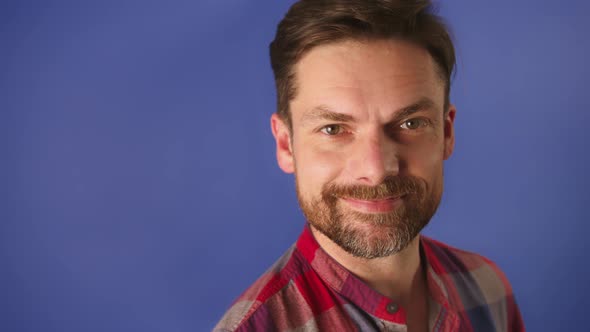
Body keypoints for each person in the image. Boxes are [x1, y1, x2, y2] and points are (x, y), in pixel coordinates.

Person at [215, 0, 525, 331]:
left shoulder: (487, 287)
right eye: (333, 129)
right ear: (285, 145)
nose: (376, 170)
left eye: (410, 124)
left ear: (446, 132)